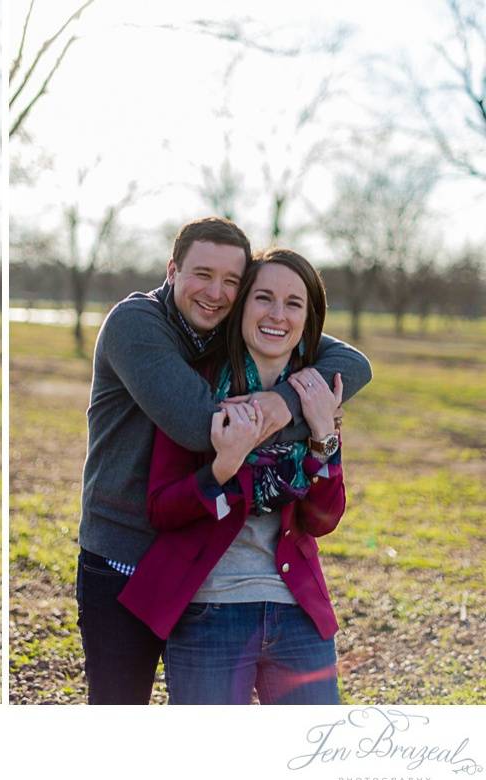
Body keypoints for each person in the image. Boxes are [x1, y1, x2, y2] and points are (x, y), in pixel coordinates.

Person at [76, 216, 372, 705]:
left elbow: (354, 365)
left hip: (199, 558)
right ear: (172, 270)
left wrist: (288, 403)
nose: (215, 292)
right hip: (126, 551)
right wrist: (304, 410)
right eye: (202, 274)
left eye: (232, 280)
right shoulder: (136, 323)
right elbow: (201, 428)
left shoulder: (236, 327)